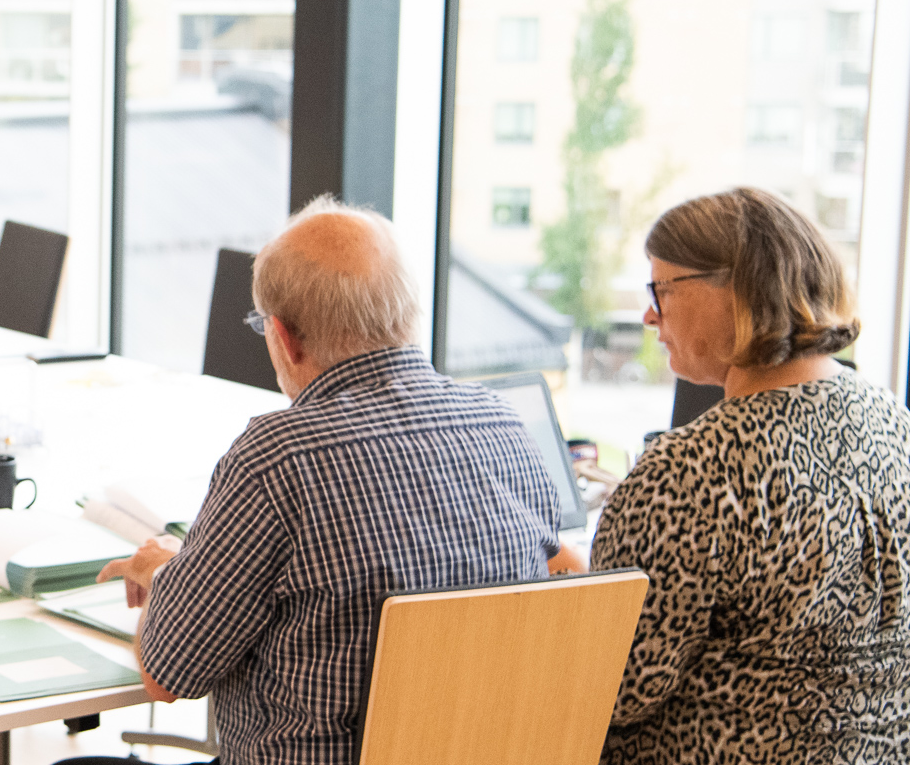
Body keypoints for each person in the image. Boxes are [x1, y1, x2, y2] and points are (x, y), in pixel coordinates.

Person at [97, 197, 562, 765]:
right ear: (407, 314)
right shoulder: (505, 426)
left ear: (284, 337)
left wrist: (162, 574)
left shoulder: (276, 458)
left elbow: (168, 675)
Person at [592, 188, 910, 762]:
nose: (649, 315)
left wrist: (567, 594)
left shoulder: (689, 470)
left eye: (661, 289)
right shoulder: (893, 421)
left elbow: (613, 688)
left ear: (738, 290)